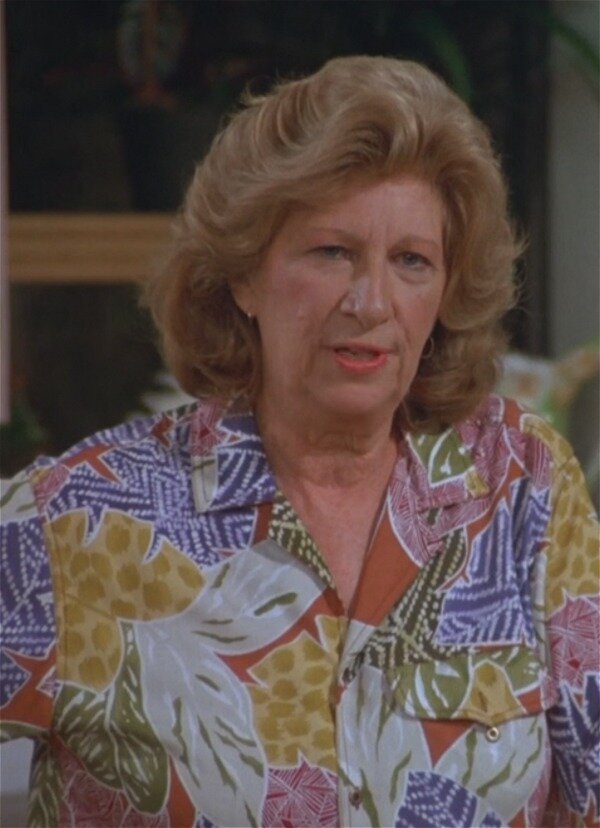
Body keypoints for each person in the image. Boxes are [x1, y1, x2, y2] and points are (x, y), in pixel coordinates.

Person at [1, 56, 598, 828]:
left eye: (411, 261)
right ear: (244, 277)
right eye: (331, 252)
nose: (371, 302)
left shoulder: (523, 483)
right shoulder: (77, 521)